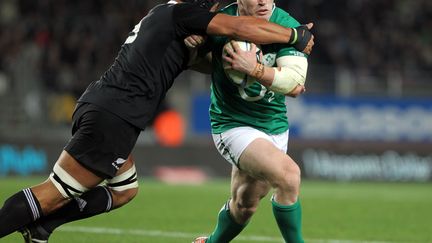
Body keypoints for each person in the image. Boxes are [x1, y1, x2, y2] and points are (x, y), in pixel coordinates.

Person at [0, 0, 314, 242]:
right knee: (53, 192)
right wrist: (296, 35)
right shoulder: (182, 16)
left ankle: (44, 226)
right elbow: (238, 28)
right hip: (114, 116)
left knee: (125, 189)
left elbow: (204, 57)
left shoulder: (163, 16)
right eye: (214, 10)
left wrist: (205, 44)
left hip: (104, 105)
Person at [191, 0, 312, 242]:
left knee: (245, 205)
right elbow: (190, 59)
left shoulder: (287, 27)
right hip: (233, 124)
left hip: (274, 126)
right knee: (289, 176)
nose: (262, 1)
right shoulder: (220, 22)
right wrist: (191, 45)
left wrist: (254, 68)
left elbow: (294, 85)